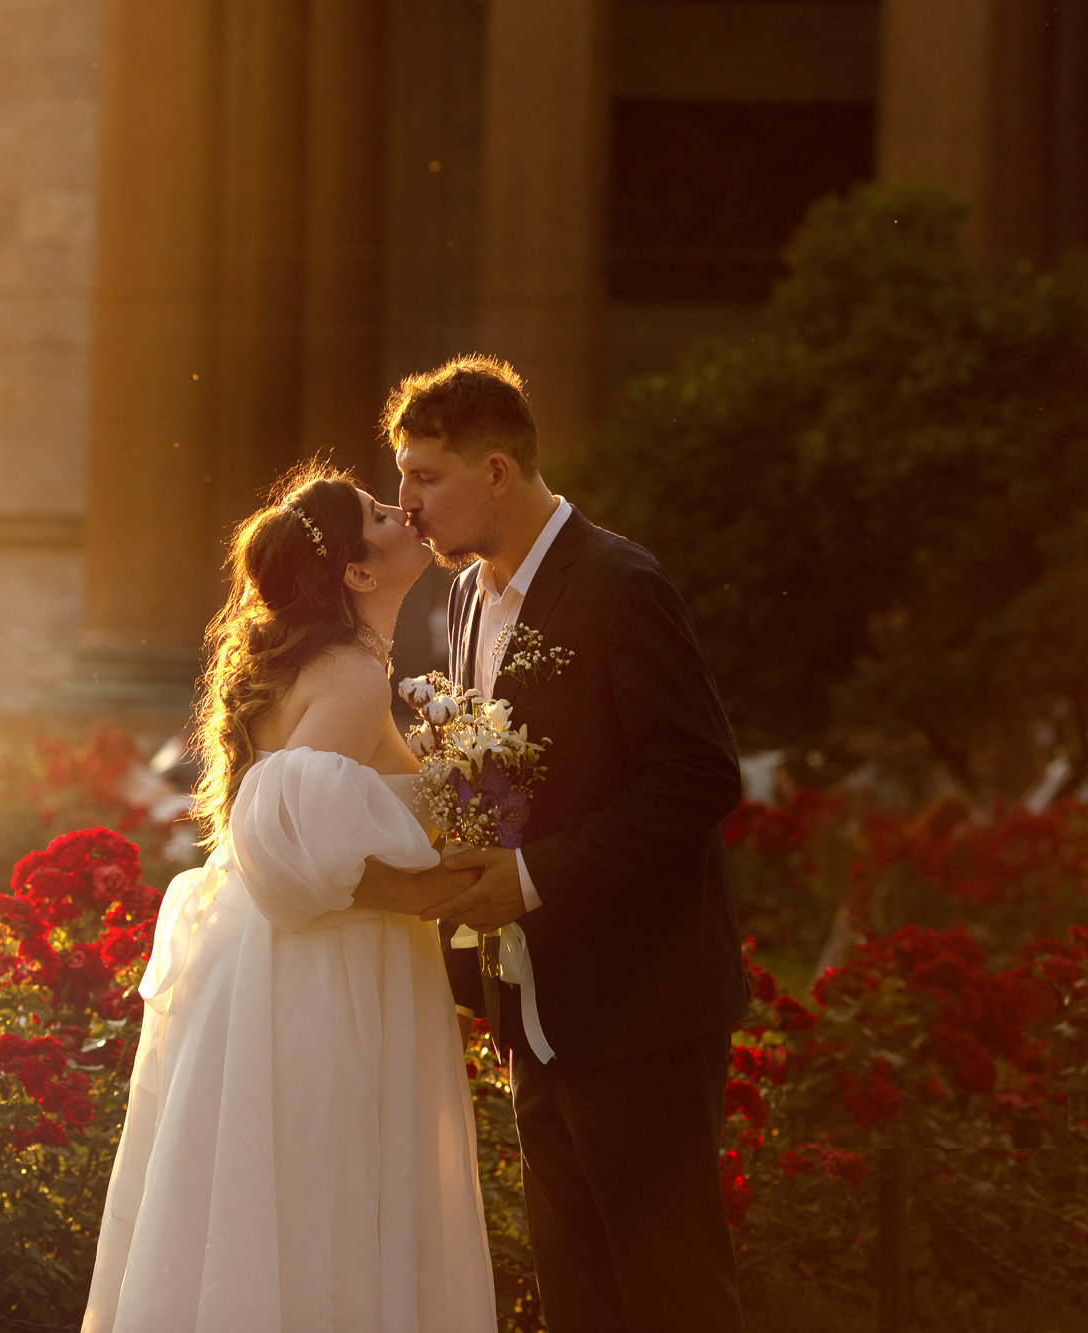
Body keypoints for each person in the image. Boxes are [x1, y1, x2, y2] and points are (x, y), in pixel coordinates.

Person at [82, 465, 501, 1332]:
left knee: (286, 1208)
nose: (403, 509)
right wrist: (442, 889)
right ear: (357, 571)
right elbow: (294, 845)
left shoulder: (336, 666)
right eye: (380, 512)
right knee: (327, 1206)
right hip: (323, 971)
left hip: (274, 960)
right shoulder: (351, 674)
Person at [391, 355, 750, 1333]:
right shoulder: (466, 599)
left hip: (642, 1007)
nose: (407, 504)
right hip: (533, 1004)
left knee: (673, 1300)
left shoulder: (621, 583)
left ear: (495, 472)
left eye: (425, 477)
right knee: (575, 1298)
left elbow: (700, 776)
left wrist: (532, 876)